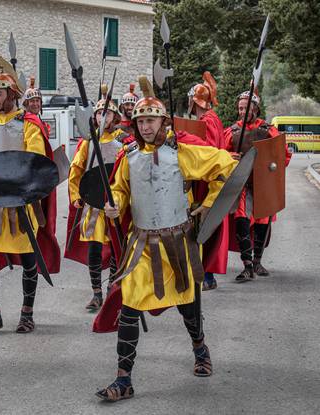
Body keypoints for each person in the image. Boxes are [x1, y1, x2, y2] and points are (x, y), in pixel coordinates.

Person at [92, 76, 237, 402]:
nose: (144, 126)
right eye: (140, 121)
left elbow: (225, 165)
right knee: (129, 306)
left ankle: (200, 348)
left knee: (188, 306)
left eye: (150, 120)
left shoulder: (182, 153)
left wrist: (207, 205)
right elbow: (119, 190)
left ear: (163, 121)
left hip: (178, 244)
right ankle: (123, 379)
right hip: (142, 246)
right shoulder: (128, 156)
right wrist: (112, 206)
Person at [0, 57, 60, 335]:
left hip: (21, 201)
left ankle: (27, 313)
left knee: (30, 258)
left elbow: (36, 159)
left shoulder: (28, 123)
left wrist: (18, 179)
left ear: (12, 94)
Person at [65, 96, 129, 310]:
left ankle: (112, 286)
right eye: (100, 113)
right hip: (93, 204)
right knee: (93, 247)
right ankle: (96, 292)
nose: (103, 117)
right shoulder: (87, 142)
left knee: (114, 247)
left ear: (115, 117)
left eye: (107, 113)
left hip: (113, 203)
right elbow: (76, 170)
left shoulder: (122, 143)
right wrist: (76, 196)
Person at [224, 90, 291, 282]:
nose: (242, 111)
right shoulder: (233, 132)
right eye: (240, 108)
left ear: (255, 109)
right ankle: (247, 265)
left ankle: (257, 262)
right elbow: (220, 153)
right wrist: (228, 157)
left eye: (246, 108)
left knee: (262, 223)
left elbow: (283, 154)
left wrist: (272, 172)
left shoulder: (268, 130)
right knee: (241, 220)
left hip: (263, 184)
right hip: (242, 184)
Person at [187, 72, 228, 290]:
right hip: (207, 179)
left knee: (205, 225)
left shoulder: (208, 121)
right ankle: (205, 274)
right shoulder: (210, 119)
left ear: (195, 102)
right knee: (205, 224)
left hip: (208, 180)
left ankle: (208, 276)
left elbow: (209, 151)